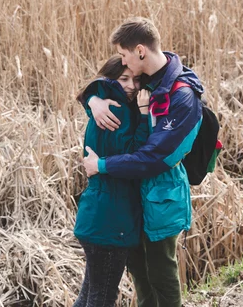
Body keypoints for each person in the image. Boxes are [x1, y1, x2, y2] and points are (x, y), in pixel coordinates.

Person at [82, 17, 204, 307]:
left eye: (124, 54)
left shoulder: (182, 95)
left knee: (161, 272)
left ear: (139, 51)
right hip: (133, 196)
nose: (122, 62)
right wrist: (92, 100)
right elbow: (107, 81)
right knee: (139, 271)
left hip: (162, 194)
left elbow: (153, 158)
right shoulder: (146, 78)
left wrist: (102, 166)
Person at [73, 55, 151, 307]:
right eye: (124, 79)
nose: (131, 86)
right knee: (102, 297)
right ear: (111, 80)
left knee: (90, 294)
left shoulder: (104, 103)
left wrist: (92, 99)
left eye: (136, 79)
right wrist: (143, 114)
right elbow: (135, 155)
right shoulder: (118, 110)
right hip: (111, 219)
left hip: (98, 213)